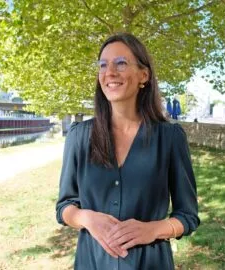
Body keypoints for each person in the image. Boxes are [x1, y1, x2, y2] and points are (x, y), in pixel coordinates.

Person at [56, 33, 200, 269]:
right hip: (92, 263)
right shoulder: (79, 137)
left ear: (144, 75)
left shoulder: (170, 138)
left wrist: (152, 230)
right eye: (103, 65)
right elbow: (64, 207)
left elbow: (188, 216)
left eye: (120, 63)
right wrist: (86, 218)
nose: (109, 72)